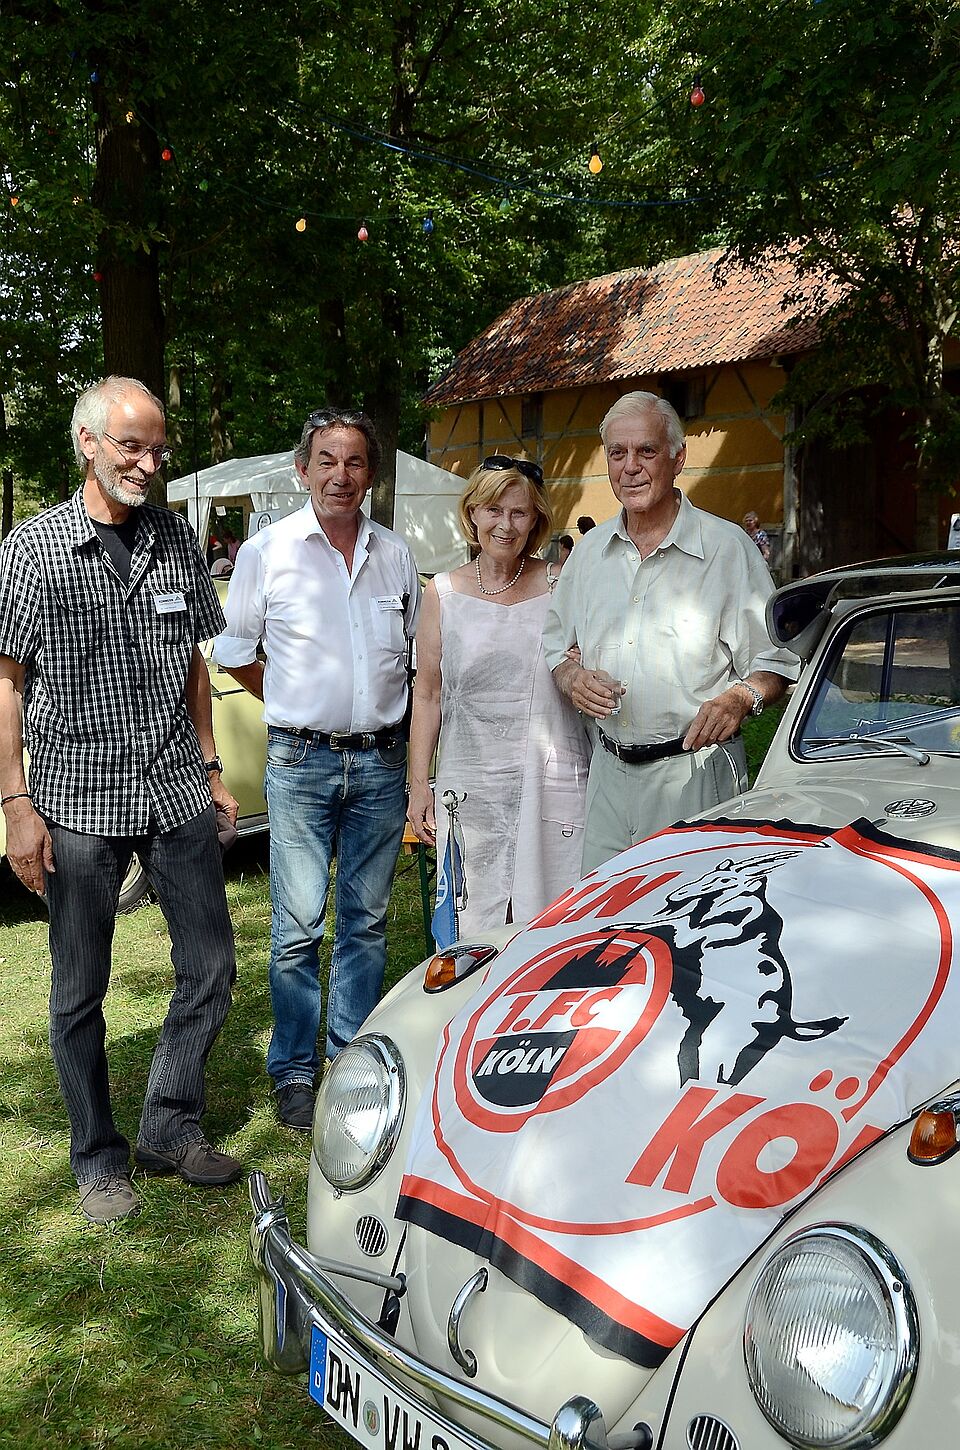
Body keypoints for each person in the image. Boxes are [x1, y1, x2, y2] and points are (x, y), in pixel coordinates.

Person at [0, 376, 241, 1225]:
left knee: (211, 967)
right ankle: (98, 1159)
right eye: (132, 446)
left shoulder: (174, 538)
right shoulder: (34, 549)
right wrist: (16, 803)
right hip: (76, 796)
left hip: (174, 786)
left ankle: (169, 1127)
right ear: (88, 443)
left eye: (157, 448)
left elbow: (193, 663)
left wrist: (210, 766)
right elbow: (7, 683)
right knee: (79, 992)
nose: (148, 463)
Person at [213, 408, 421, 1131]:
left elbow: (414, 655)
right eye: (326, 461)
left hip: (381, 762)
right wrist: (291, 699)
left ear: (371, 473)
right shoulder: (267, 552)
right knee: (297, 926)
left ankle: (352, 1064)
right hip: (300, 761)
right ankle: (295, 1071)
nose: (341, 475)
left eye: (355, 461)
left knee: (366, 922)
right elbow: (234, 652)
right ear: (303, 471)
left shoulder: (395, 555)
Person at [544, 391, 798, 875]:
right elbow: (555, 647)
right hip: (608, 777)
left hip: (695, 776)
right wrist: (572, 677)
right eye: (617, 453)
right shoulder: (589, 554)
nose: (630, 467)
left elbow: (776, 662)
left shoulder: (727, 550)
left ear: (678, 459)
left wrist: (739, 699)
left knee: (696, 917)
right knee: (604, 917)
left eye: (647, 451)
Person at [406, 457, 590, 938]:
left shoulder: (561, 584)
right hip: (471, 782)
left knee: (553, 920)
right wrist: (419, 785)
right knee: (474, 921)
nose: (505, 525)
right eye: (493, 510)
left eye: (518, 513)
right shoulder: (441, 593)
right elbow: (427, 695)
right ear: (472, 513)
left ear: (535, 520)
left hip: (548, 777)